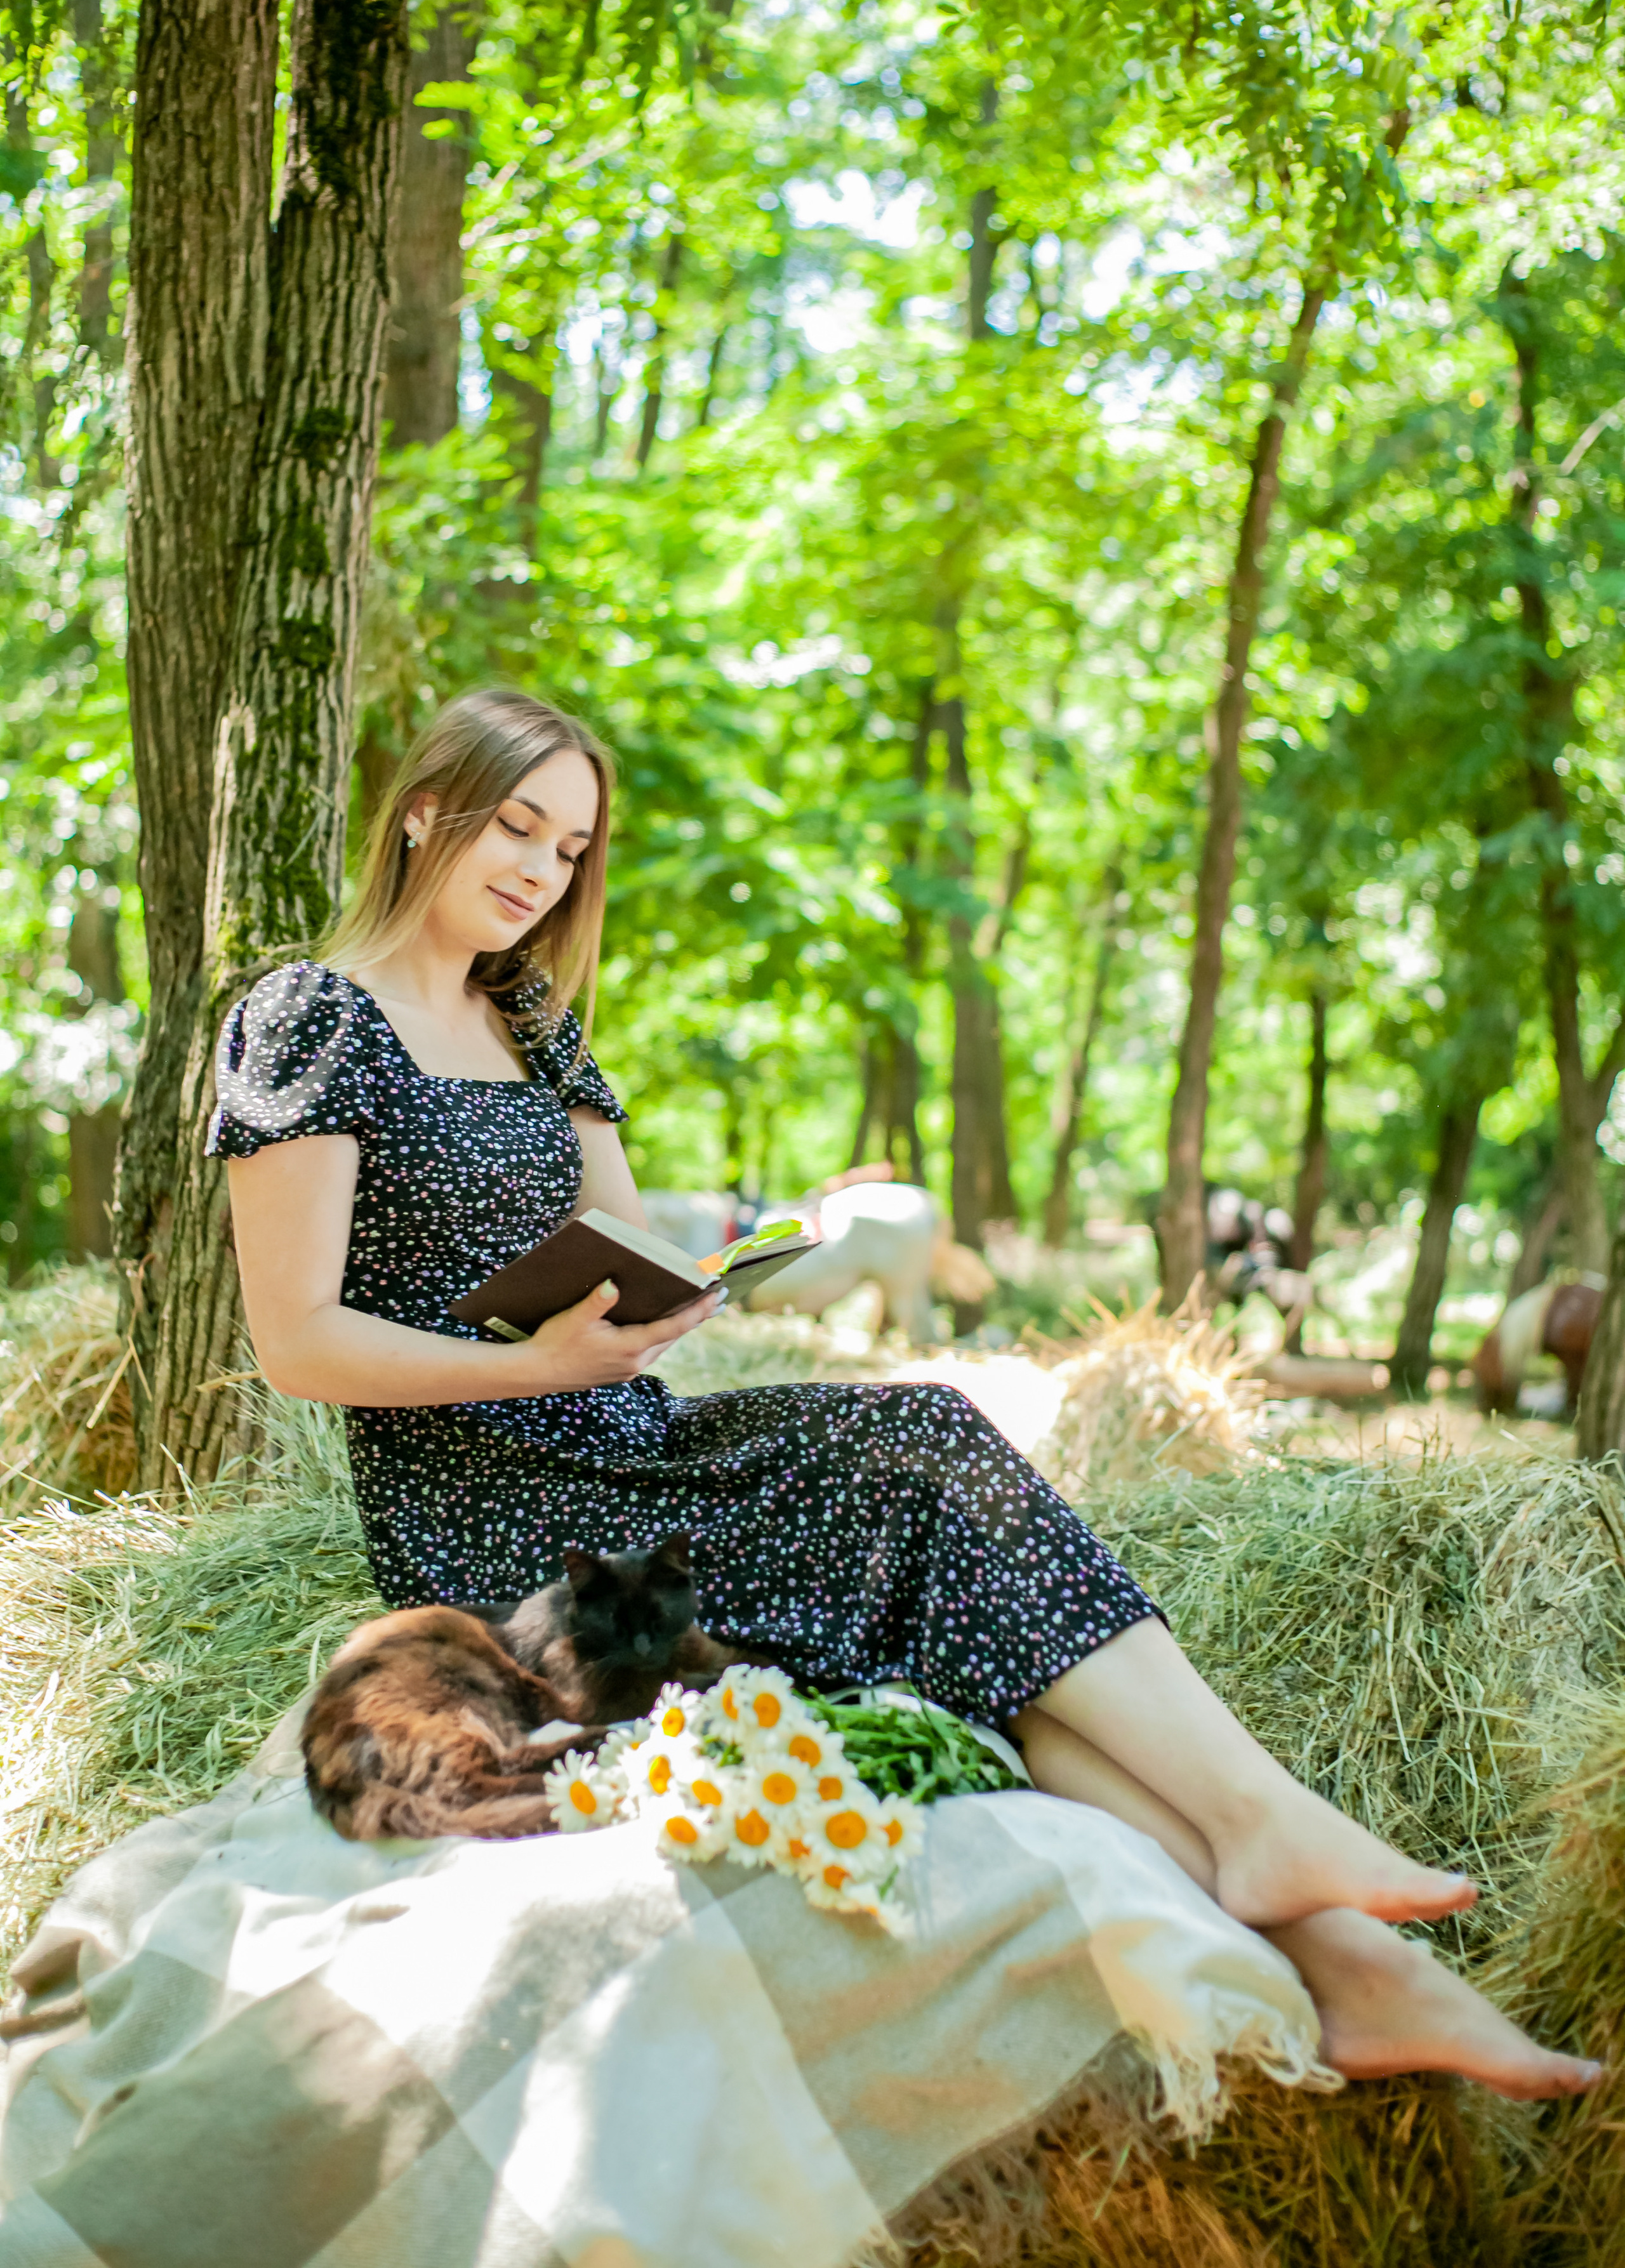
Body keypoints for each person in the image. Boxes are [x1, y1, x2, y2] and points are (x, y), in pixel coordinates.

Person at [214, 685, 1600, 2103]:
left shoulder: (534, 1018)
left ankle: (1329, 1942)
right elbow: (297, 1341)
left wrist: (681, 1286)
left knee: (942, 1475)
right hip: (498, 1514)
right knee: (926, 1484)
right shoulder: (313, 1021)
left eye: (570, 849)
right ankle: (1301, 1886)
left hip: (633, 1438)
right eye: (515, 827)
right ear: (424, 810)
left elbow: (614, 1235)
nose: (539, 870)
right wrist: (527, 1366)